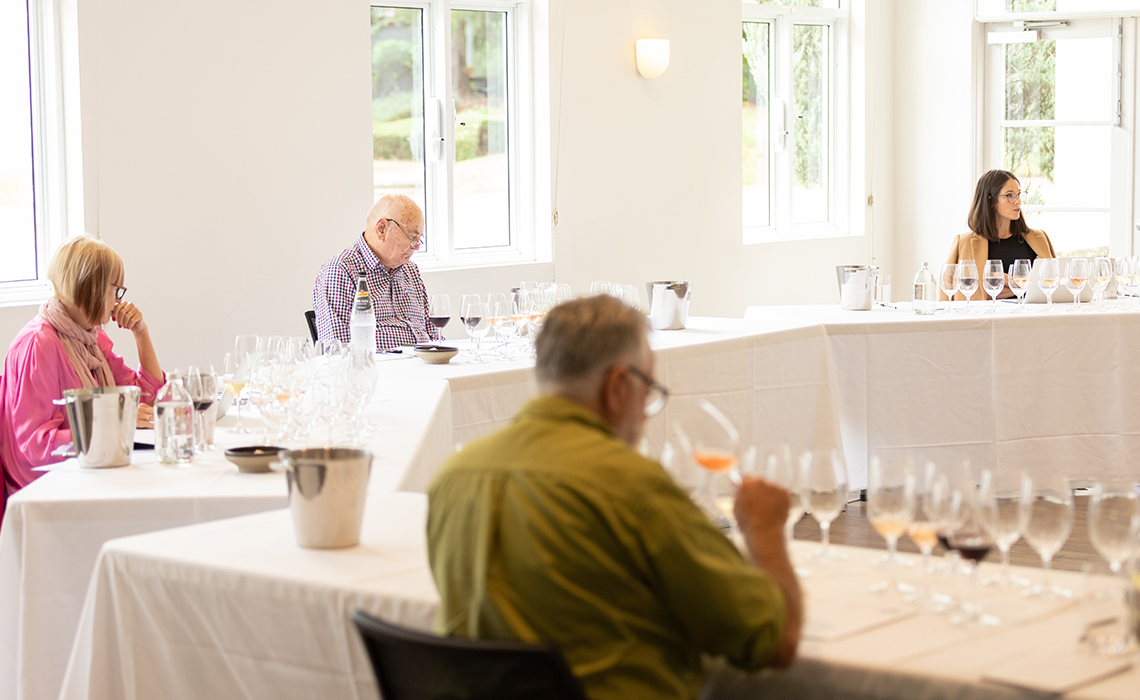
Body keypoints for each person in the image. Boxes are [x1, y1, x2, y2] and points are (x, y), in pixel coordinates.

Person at [426, 296, 803, 700]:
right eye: (648, 392)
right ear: (619, 386)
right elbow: (773, 642)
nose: (645, 413)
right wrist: (764, 529)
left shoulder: (452, 480)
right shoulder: (634, 487)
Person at [0, 235, 164, 494]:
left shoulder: (91, 337)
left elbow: (144, 397)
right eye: (116, 290)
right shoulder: (38, 344)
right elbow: (36, 446)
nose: (118, 301)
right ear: (91, 288)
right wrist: (116, 425)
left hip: (88, 470)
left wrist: (141, 332)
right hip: (47, 487)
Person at [311, 195, 440, 349]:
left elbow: (434, 335)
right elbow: (338, 351)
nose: (417, 246)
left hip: (427, 367)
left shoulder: (410, 270)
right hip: (380, 369)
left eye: (419, 238)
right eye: (412, 237)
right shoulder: (340, 271)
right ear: (382, 229)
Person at [942, 169, 1056, 300]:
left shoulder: (1040, 238)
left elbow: (1053, 285)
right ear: (990, 201)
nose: (1018, 201)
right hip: (984, 319)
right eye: (1009, 195)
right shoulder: (964, 242)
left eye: (1019, 194)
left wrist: (1007, 280)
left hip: (1031, 318)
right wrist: (1023, 284)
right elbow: (948, 296)